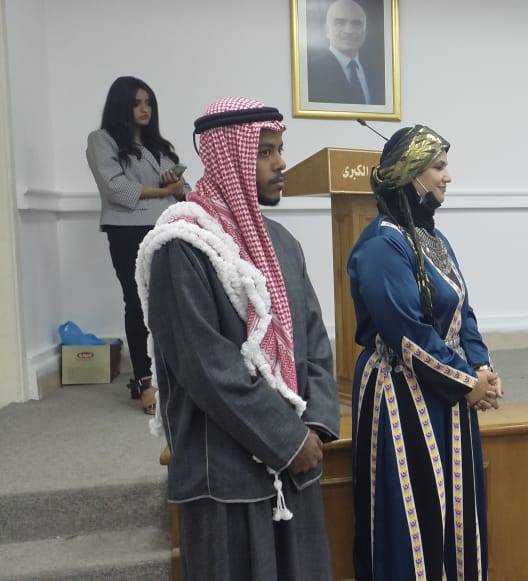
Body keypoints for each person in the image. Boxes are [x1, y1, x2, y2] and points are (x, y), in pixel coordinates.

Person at [135, 97, 340, 580]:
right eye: (265, 151)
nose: (280, 163)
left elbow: (313, 342)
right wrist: (287, 439)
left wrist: (314, 426)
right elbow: (208, 369)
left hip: (296, 465)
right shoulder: (184, 245)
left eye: (280, 149)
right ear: (229, 156)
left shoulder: (282, 242)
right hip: (225, 476)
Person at [348, 125, 500, 580]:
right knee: (416, 516)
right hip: (402, 394)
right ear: (410, 174)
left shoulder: (433, 237)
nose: (447, 176)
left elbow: (462, 309)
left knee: (455, 512)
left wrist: (482, 365)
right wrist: (468, 382)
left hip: (446, 393)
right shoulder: (381, 244)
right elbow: (408, 333)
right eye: (438, 167)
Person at [85, 76, 187, 414]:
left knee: (172, 303)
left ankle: (173, 377)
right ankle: (145, 381)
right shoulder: (102, 140)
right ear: (120, 106)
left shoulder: (161, 146)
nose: (145, 110)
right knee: (138, 301)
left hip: (169, 227)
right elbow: (116, 188)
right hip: (128, 231)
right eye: (136, 103)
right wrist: (163, 191)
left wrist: (177, 187)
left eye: (148, 103)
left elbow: (185, 191)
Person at [308, 0, 385, 105]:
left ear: (365, 32)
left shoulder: (377, 73)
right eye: (340, 23)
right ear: (327, 30)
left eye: (356, 24)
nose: (348, 30)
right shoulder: (312, 70)